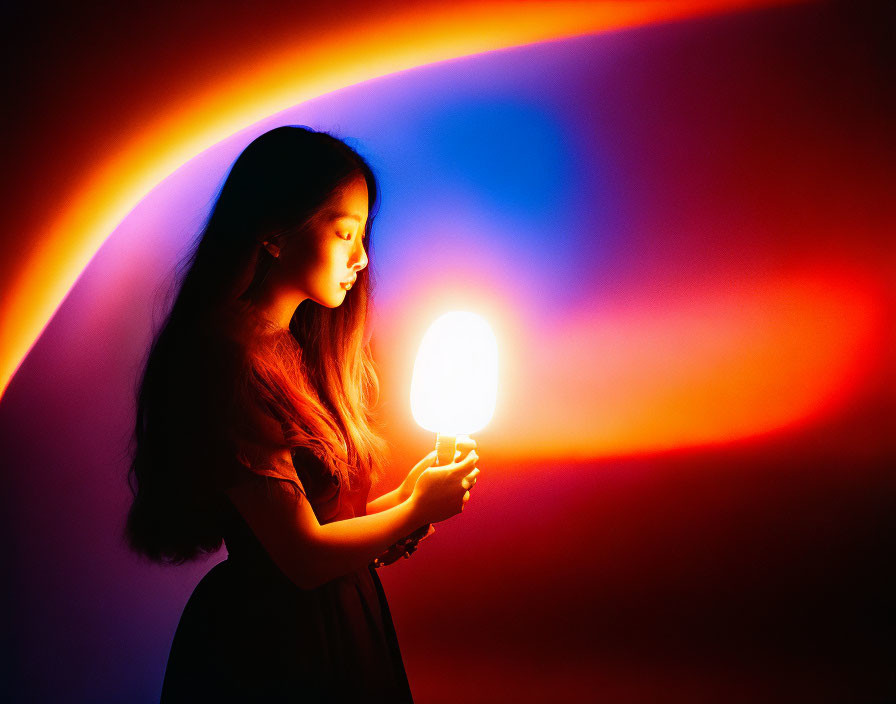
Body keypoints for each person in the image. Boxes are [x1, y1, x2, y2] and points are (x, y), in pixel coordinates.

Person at [125, 126, 481, 702]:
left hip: (332, 624)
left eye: (364, 236)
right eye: (344, 233)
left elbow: (320, 526)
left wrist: (409, 501)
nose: (362, 258)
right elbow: (300, 555)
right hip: (270, 648)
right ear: (273, 232)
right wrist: (417, 506)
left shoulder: (295, 350)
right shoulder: (230, 362)